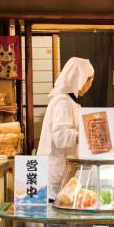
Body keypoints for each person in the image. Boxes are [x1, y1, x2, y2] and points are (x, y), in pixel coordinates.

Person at [37, 57, 95, 199]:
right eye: (89, 81)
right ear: (79, 79)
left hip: (63, 173)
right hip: (55, 175)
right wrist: (86, 135)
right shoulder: (62, 102)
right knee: (55, 216)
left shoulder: (69, 102)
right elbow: (60, 136)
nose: (89, 86)